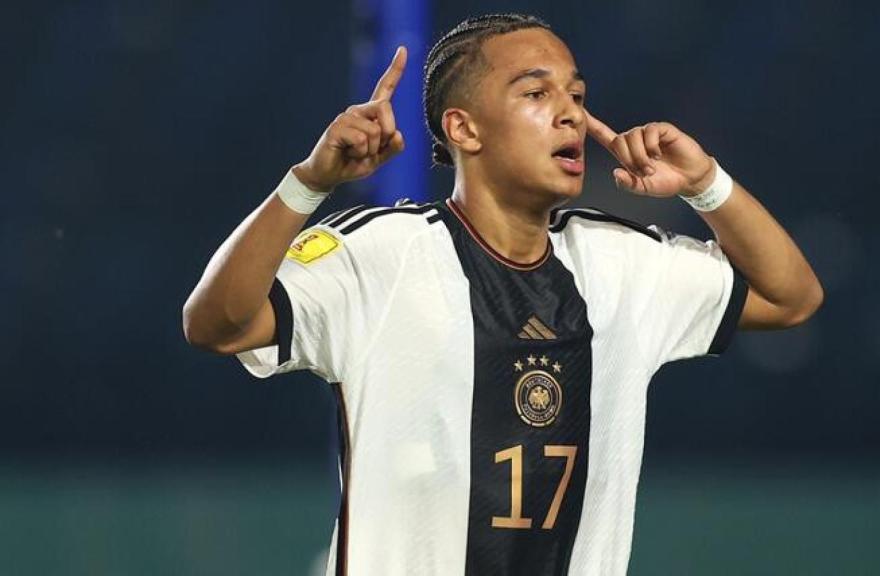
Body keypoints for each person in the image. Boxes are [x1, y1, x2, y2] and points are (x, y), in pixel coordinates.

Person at [182, 13, 822, 576]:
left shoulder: (622, 265)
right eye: (537, 93)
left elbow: (791, 297)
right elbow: (216, 323)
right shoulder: (383, 255)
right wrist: (307, 185)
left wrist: (704, 183)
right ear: (464, 129)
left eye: (576, 94)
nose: (570, 111)